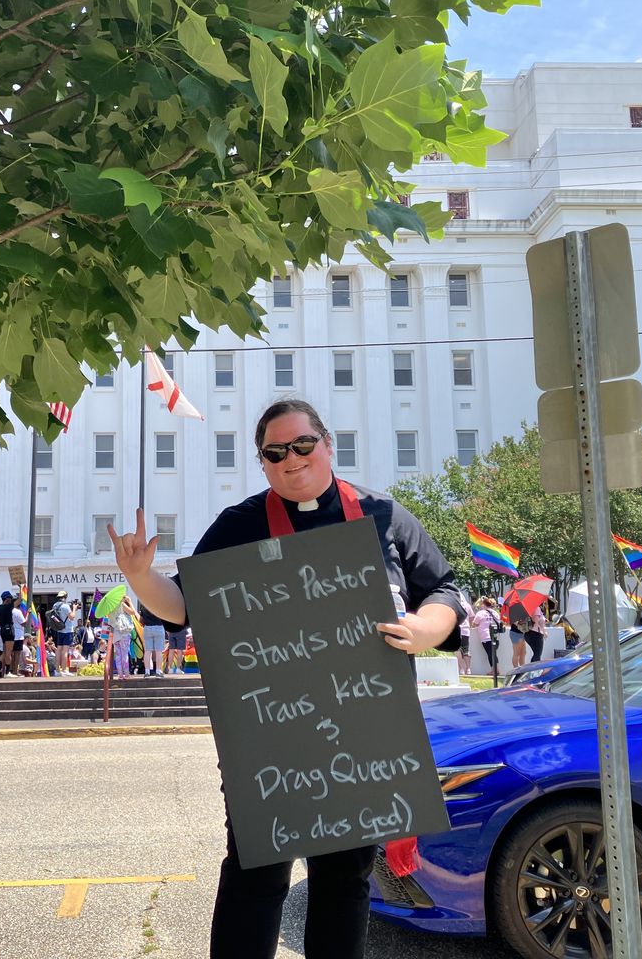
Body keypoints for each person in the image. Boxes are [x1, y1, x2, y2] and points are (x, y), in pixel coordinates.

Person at [108, 398, 462, 959]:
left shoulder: (385, 516)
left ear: (327, 445)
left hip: (364, 738)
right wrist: (140, 575)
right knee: (257, 876)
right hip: (269, 744)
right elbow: (181, 606)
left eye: (302, 444)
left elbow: (443, 590)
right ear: (264, 463)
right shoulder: (240, 525)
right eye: (275, 452)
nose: (290, 458)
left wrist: (426, 628)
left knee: (344, 882)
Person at [109, 598, 137, 681]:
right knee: (124, 654)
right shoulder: (121, 604)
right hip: (124, 632)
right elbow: (132, 612)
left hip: (115, 633)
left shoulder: (110, 607)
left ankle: (120, 674)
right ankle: (126, 673)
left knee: (118, 655)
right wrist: (129, 601)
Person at [471, 597, 498, 675]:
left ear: (484, 604)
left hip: (485, 636)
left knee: (490, 653)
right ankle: (496, 669)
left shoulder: (481, 613)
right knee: (493, 653)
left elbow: (474, 624)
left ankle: (494, 670)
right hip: (495, 635)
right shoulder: (495, 613)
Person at [49, 591, 74, 675]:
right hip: (67, 630)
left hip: (59, 630)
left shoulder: (55, 605)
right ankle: (64, 669)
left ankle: (57, 670)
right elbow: (72, 617)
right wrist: (74, 609)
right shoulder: (66, 606)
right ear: (65, 597)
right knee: (65, 650)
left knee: (59, 649)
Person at [139, 604, 167, 677]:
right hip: (159, 627)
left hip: (147, 628)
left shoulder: (144, 604)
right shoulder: (160, 604)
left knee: (147, 651)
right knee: (159, 651)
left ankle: (147, 671)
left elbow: (141, 619)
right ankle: (158, 671)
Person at [0, 591, 15, 678]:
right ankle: (7, 672)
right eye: (10, 598)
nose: (11, 600)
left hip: (2, 629)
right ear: (7, 599)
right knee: (8, 652)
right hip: (9, 629)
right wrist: (21, 588)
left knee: (5, 651)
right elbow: (20, 599)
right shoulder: (9, 607)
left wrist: (2, 625)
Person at [457, 594, 474, 675]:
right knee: (466, 650)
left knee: (458, 650)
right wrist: (469, 626)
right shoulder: (467, 605)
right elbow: (471, 617)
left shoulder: (455, 604)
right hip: (466, 630)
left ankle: (461, 669)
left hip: (457, 630)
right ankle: (468, 669)